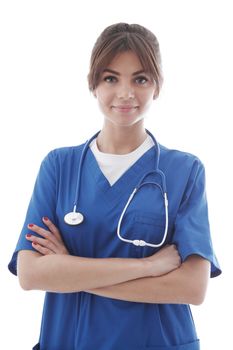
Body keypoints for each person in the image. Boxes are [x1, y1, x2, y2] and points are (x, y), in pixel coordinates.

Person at [8, 22, 221, 350]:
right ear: (93, 84)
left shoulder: (185, 171)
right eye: (111, 78)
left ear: (157, 87)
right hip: (69, 341)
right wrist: (147, 267)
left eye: (140, 79)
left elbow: (192, 288)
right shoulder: (59, 167)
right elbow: (31, 275)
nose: (125, 93)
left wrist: (71, 273)